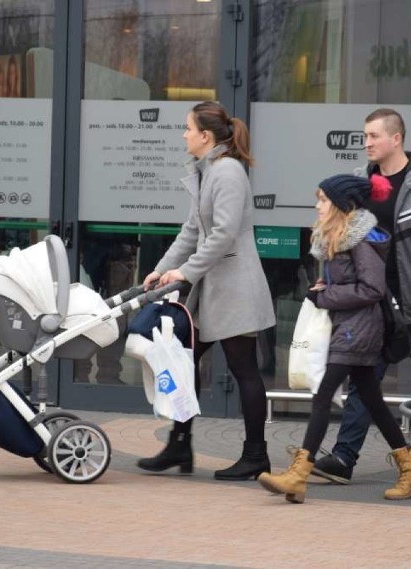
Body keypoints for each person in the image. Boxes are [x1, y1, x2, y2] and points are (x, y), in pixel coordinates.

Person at [311, 108, 411, 486]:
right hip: (373, 304)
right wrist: (329, 284)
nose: (366, 142)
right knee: (362, 377)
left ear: (396, 138)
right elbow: (341, 238)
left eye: (374, 135)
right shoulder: (359, 185)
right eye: (365, 136)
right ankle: (344, 456)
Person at [258, 175, 411, 503]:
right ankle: (410, 466)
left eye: (323, 200)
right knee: (374, 403)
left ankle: (299, 474)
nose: (317, 206)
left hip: (358, 331)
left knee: (323, 396)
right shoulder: (338, 241)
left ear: (341, 205)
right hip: (351, 328)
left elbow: (372, 288)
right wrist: (324, 289)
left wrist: (327, 296)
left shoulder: (361, 242)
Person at [136, 101, 276, 481]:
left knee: (244, 369)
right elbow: (192, 231)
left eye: (187, 128)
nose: (183, 134)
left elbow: (223, 233)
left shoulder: (227, 172)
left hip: (235, 288)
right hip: (214, 288)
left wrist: (184, 271)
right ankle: (180, 445)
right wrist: (162, 270)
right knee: (184, 359)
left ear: (205, 136)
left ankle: (256, 455)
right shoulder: (207, 172)